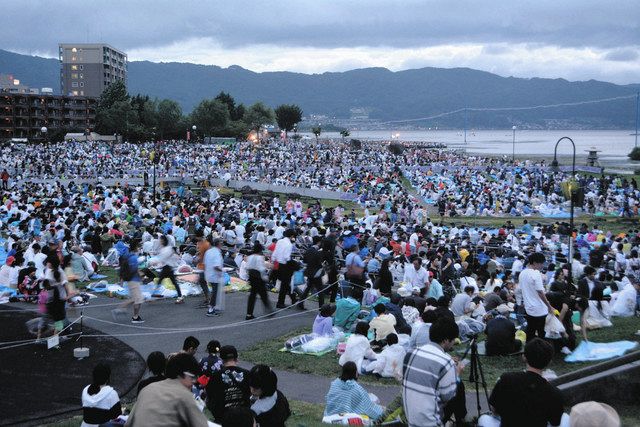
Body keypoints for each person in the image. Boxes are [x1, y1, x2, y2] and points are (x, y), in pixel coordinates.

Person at [480, 338, 564, 427]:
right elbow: (556, 422)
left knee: (484, 419)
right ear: (549, 362)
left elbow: (494, 410)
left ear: (524, 357)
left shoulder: (507, 379)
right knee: (565, 417)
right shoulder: (554, 393)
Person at [402, 318, 464, 427]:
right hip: (431, 421)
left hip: (410, 418)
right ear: (445, 340)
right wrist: (457, 375)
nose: (454, 342)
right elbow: (448, 396)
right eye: (453, 339)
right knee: (458, 386)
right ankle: (460, 420)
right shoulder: (446, 361)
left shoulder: (410, 354)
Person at [126, 353, 209, 427]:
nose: (194, 381)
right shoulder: (184, 395)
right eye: (192, 377)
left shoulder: (146, 389)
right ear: (181, 375)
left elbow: (128, 423)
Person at [206, 345, 251, 424]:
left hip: (224, 418)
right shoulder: (247, 374)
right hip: (244, 417)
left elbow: (210, 397)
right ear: (236, 358)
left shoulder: (215, 376)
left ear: (222, 359)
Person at [519, 253, 555, 341]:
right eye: (541, 263)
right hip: (539, 309)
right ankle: (541, 350)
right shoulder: (536, 273)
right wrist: (549, 306)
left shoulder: (522, 273)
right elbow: (540, 293)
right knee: (541, 332)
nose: (543, 265)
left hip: (529, 308)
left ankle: (528, 352)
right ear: (534, 263)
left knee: (530, 331)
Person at [112, 240, 144, 323]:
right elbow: (133, 270)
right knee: (138, 299)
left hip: (131, 280)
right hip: (133, 280)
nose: (140, 248)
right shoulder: (133, 258)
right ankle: (135, 317)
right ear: (136, 247)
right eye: (139, 247)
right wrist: (140, 274)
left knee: (134, 299)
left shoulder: (129, 256)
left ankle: (119, 310)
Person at [245, 242, 272, 320]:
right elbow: (262, 269)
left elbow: (247, 267)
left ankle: (249, 314)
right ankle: (269, 311)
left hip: (251, 277)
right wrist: (266, 278)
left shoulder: (249, 257)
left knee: (252, 296)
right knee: (263, 295)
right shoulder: (260, 257)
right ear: (260, 250)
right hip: (259, 278)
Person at [153, 235, 183, 303]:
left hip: (168, 267)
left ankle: (156, 293)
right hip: (167, 267)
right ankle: (180, 296)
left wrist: (154, 262)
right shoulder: (165, 248)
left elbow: (163, 257)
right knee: (170, 281)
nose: (159, 241)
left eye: (160, 240)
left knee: (169, 281)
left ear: (163, 241)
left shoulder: (167, 249)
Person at [272, 229, 298, 308]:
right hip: (286, 266)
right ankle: (280, 303)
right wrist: (294, 263)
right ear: (292, 236)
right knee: (285, 285)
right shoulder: (289, 244)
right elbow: (287, 257)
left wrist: (273, 261)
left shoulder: (279, 241)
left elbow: (275, 253)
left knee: (285, 284)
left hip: (279, 265)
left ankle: (293, 299)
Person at [299, 235, 326, 309]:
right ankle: (322, 307)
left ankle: (300, 303)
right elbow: (319, 264)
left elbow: (304, 260)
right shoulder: (317, 252)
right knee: (320, 290)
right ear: (319, 242)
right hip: (316, 273)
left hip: (309, 271)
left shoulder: (309, 250)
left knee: (308, 288)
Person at [205, 239, 226, 317]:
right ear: (218, 244)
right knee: (215, 292)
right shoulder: (217, 253)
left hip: (209, 274)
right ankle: (211, 309)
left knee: (214, 291)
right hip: (215, 275)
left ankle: (213, 306)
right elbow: (216, 266)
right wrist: (223, 270)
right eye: (221, 243)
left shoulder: (209, 251)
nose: (222, 244)